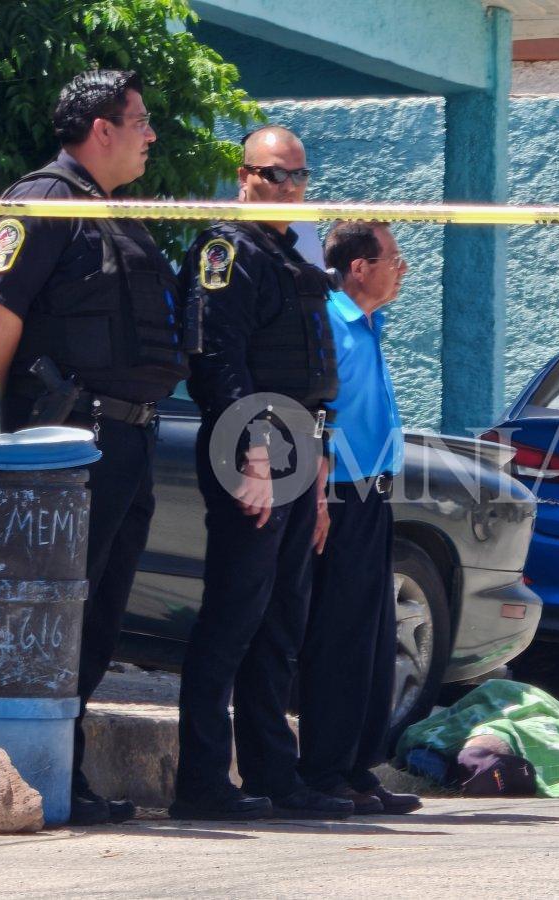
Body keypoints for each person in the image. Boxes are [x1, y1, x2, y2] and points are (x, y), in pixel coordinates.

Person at [0, 69, 189, 826]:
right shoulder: (44, 201)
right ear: (102, 129)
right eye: (140, 120)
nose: (150, 135)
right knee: (57, 612)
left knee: (97, 614)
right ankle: (28, 770)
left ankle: (62, 770)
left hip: (124, 439)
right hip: (67, 443)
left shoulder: (109, 212)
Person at [171, 125, 352, 821]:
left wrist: (318, 465)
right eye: (276, 174)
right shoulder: (226, 252)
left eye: (300, 176)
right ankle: (202, 783)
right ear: (244, 176)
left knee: (280, 621)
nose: (290, 187)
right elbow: (217, 360)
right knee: (233, 618)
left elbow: (309, 376)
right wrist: (250, 452)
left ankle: (276, 776)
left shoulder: (285, 255)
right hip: (252, 448)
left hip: (296, 446)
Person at [297, 221, 421, 815]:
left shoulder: (369, 322)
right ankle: (323, 770)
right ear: (359, 268)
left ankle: (355, 767)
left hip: (373, 494)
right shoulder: (328, 321)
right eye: (393, 258)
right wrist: (318, 496)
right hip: (339, 494)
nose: (402, 269)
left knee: (372, 637)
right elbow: (316, 413)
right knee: (339, 636)